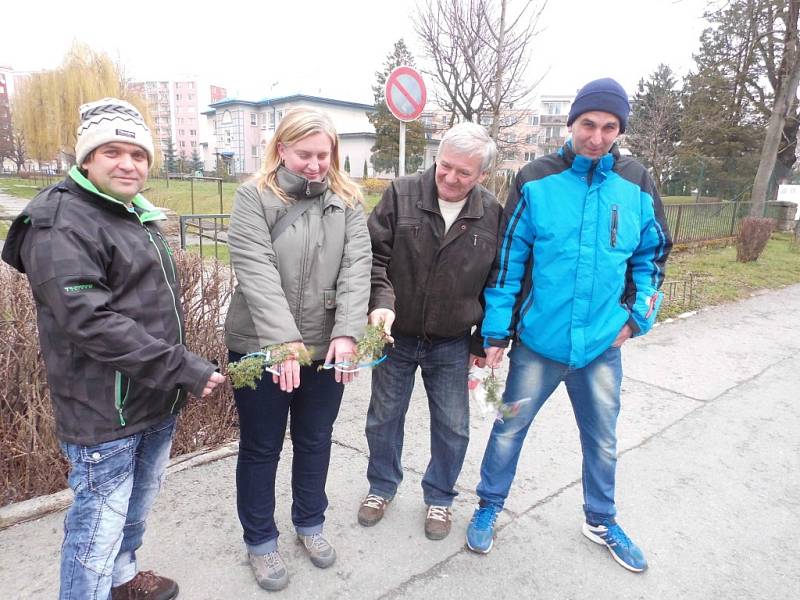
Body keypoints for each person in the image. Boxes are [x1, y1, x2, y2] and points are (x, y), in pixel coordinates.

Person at [1, 98, 226, 600]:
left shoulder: (127, 212)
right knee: (95, 534)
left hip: (151, 397)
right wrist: (182, 367)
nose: (128, 164)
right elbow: (91, 321)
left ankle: (123, 580)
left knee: (132, 511)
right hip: (104, 411)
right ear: (86, 159)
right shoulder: (61, 221)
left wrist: (174, 373)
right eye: (113, 152)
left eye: (138, 154)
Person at [465, 78, 673, 572]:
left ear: (619, 129)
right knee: (509, 428)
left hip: (601, 345)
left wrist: (637, 318)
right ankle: (488, 506)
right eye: (588, 124)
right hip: (539, 342)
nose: (597, 137)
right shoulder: (535, 179)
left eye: (608, 127)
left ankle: (600, 519)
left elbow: (653, 255)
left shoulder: (636, 181)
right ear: (571, 122)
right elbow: (508, 261)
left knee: (601, 439)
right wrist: (497, 333)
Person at [224, 107, 372, 592]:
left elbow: (356, 267)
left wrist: (347, 331)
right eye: (304, 153)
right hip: (261, 344)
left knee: (315, 440)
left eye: (322, 154)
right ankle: (260, 540)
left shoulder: (348, 200)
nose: (314, 164)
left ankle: (310, 523)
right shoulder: (254, 197)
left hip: (326, 347)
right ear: (282, 148)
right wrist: (282, 344)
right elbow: (256, 270)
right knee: (262, 446)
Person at [358, 122, 501, 541]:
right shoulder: (400, 195)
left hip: (452, 340)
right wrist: (381, 305)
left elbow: (499, 279)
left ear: (482, 176)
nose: (452, 179)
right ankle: (381, 487)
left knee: (454, 425)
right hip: (395, 335)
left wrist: (484, 340)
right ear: (436, 158)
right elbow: (373, 258)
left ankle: (440, 496)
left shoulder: (491, 212)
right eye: (446, 167)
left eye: (465, 173)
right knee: (383, 418)